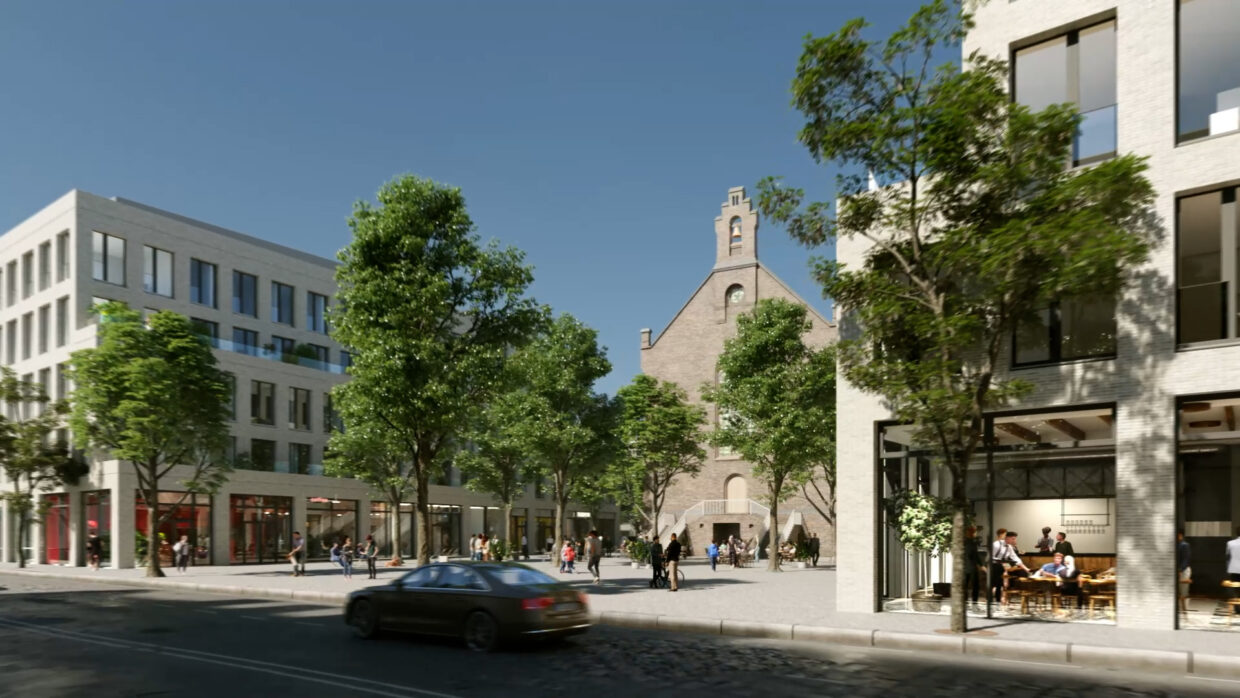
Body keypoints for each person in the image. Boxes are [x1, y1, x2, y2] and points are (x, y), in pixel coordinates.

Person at [991, 529, 1029, 604]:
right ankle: (992, 601)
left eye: (1015, 539)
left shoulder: (1009, 547)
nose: (1014, 541)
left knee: (1001, 584)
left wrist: (1026, 568)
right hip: (994, 565)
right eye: (1013, 539)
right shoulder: (996, 544)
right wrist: (1001, 562)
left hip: (1003, 565)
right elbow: (990, 557)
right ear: (1007, 538)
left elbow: (1015, 558)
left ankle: (999, 601)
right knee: (994, 584)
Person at [962, 526, 982, 605]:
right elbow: (974, 555)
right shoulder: (972, 542)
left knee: (965, 587)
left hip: (964, 567)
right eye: (976, 532)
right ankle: (974, 604)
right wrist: (981, 565)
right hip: (972, 567)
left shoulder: (963, 542)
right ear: (973, 533)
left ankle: (965, 603)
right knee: (975, 586)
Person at [1176, 529, 1191, 612]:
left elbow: (1186, 559)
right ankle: (1180, 609)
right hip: (1179, 570)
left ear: (1180, 535)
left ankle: (1184, 609)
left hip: (1184, 570)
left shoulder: (1184, 545)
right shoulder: (1177, 545)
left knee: (1184, 591)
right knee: (1179, 590)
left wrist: (1180, 570)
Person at [1226, 527, 1240, 595]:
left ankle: (1237, 604)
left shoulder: (1230, 543)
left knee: (1236, 589)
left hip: (1234, 569)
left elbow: (1228, 558)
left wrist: (1228, 569)